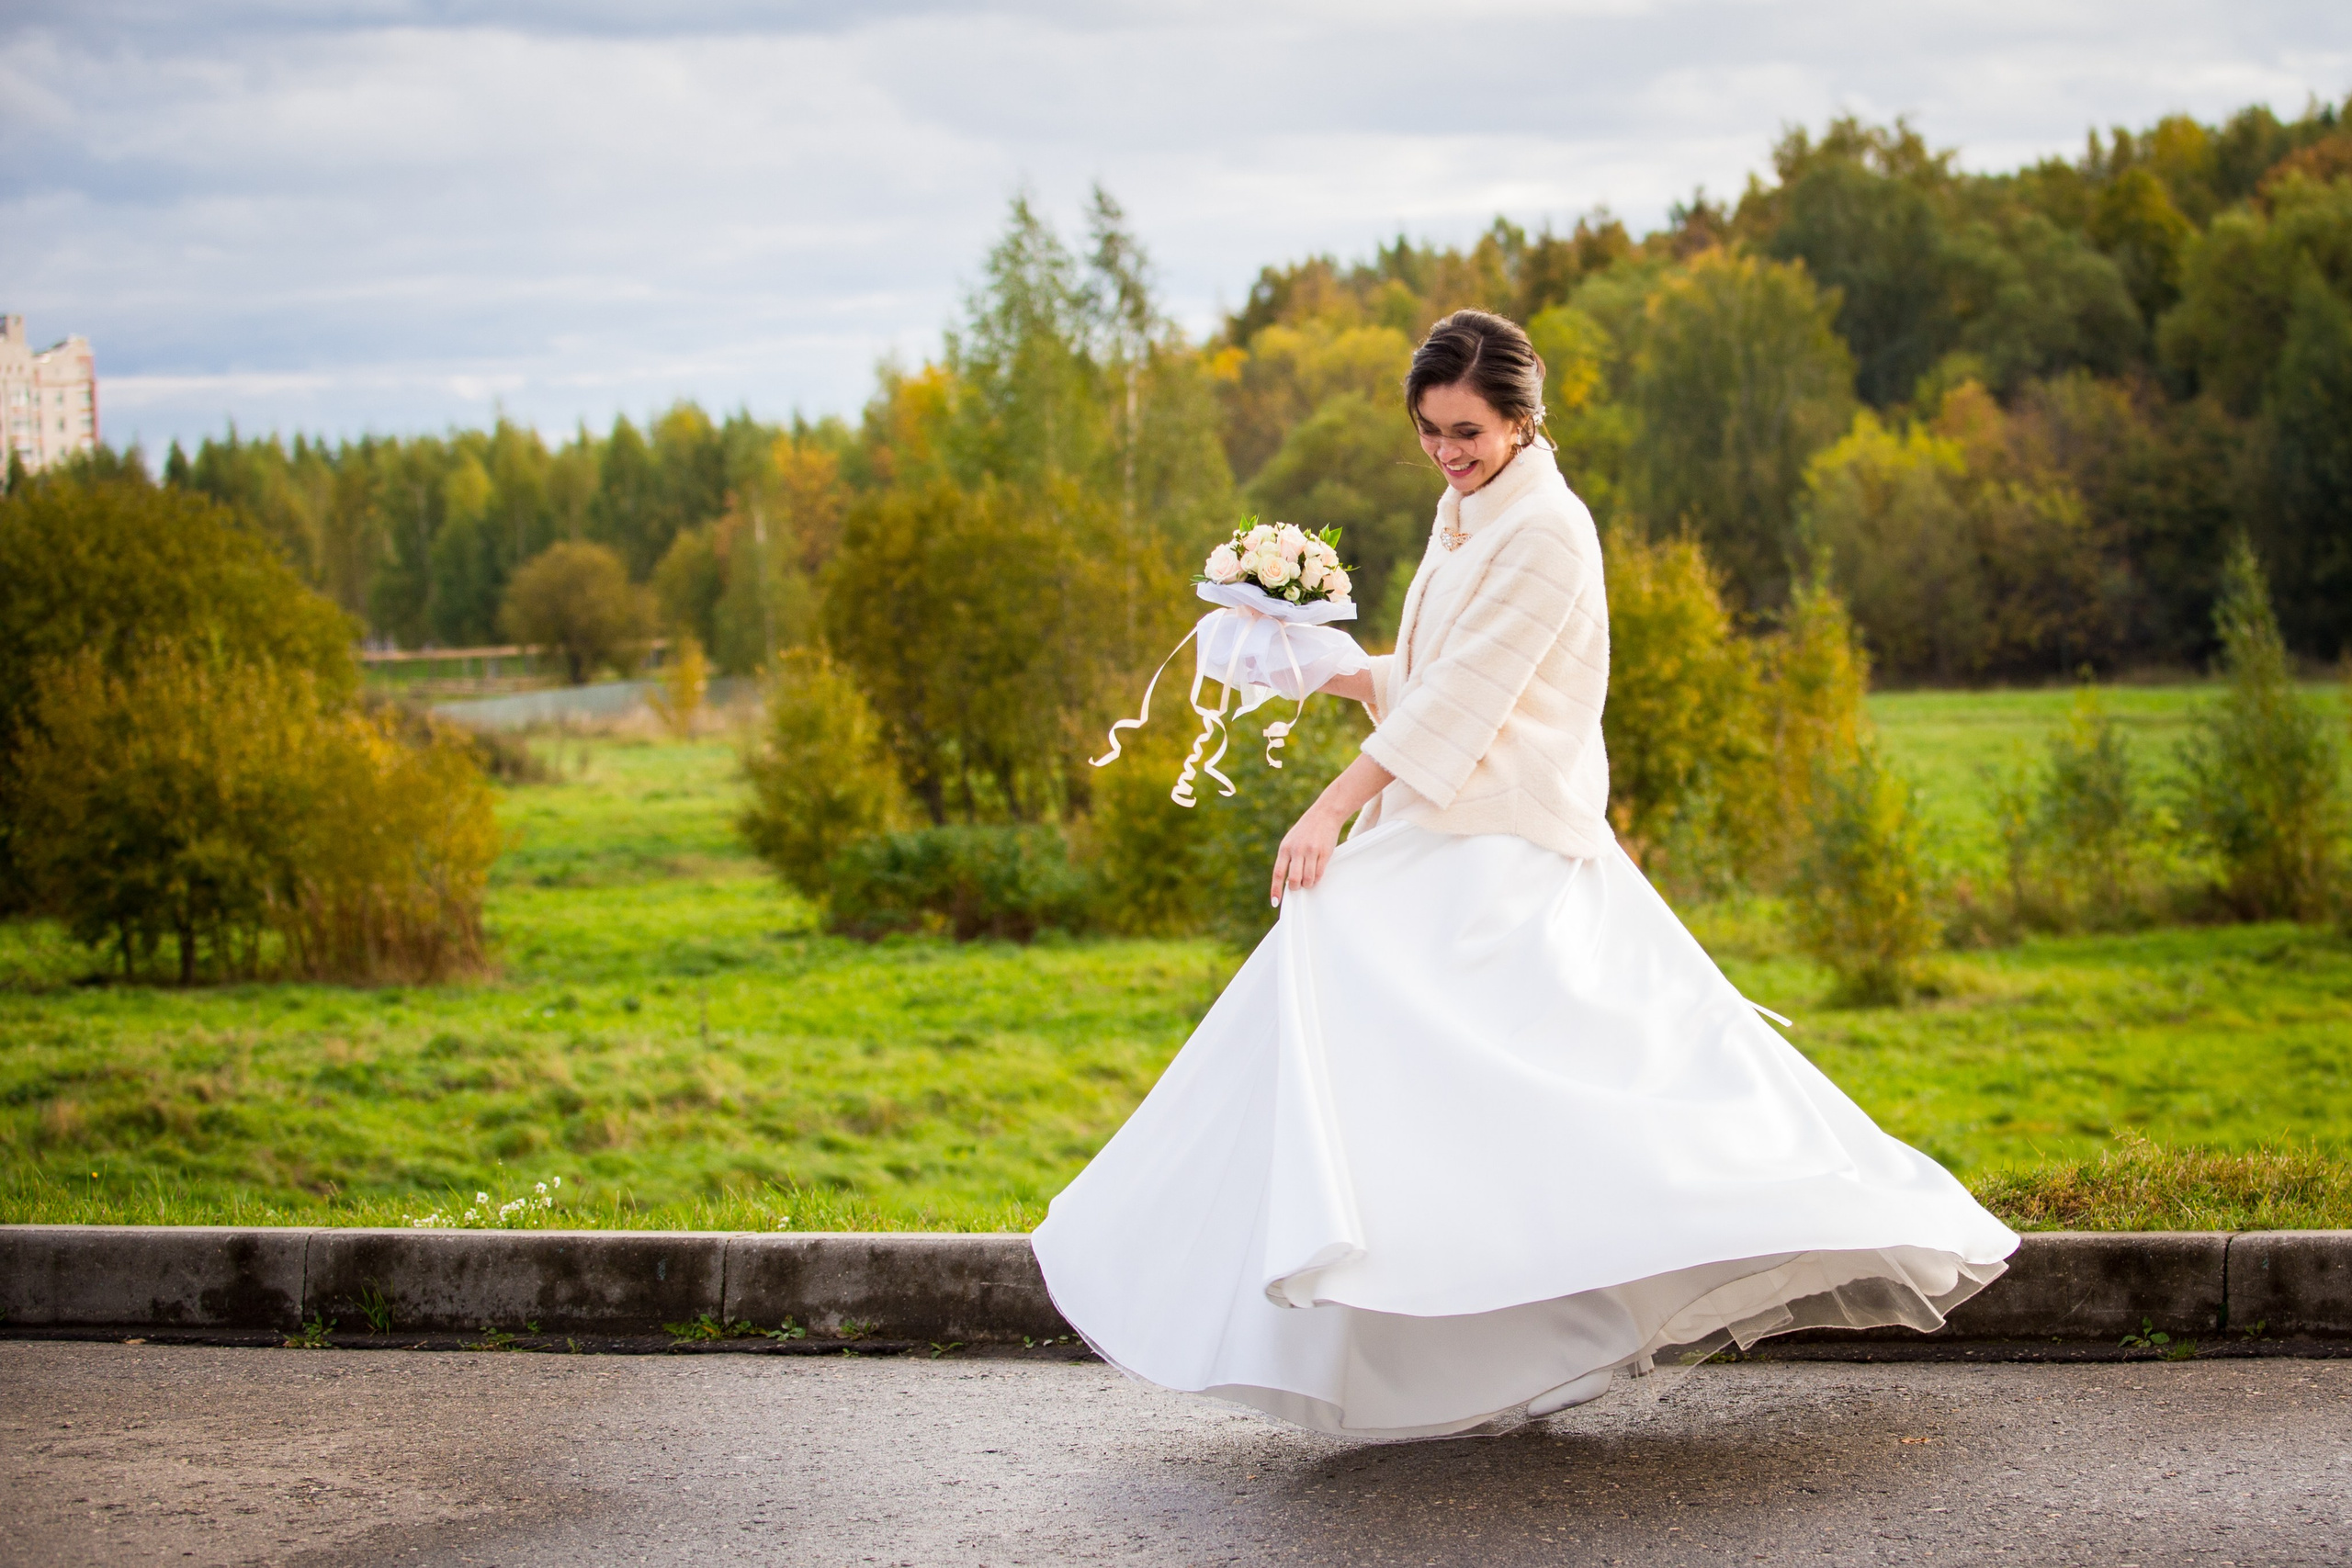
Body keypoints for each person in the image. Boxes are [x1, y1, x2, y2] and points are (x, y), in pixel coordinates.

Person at [1032, 309, 2018, 1439]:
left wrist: (1325, 807)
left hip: (1499, 836)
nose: (1446, 451)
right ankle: (1449, 1346)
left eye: (1466, 431)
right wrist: (1326, 670)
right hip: (1445, 816)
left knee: (1363, 975)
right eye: (1428, 431)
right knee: (1450, 1107)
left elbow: (1470, 701)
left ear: (1521, 416)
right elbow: (1438, 674)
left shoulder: (1546, 527)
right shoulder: (1465, 513)